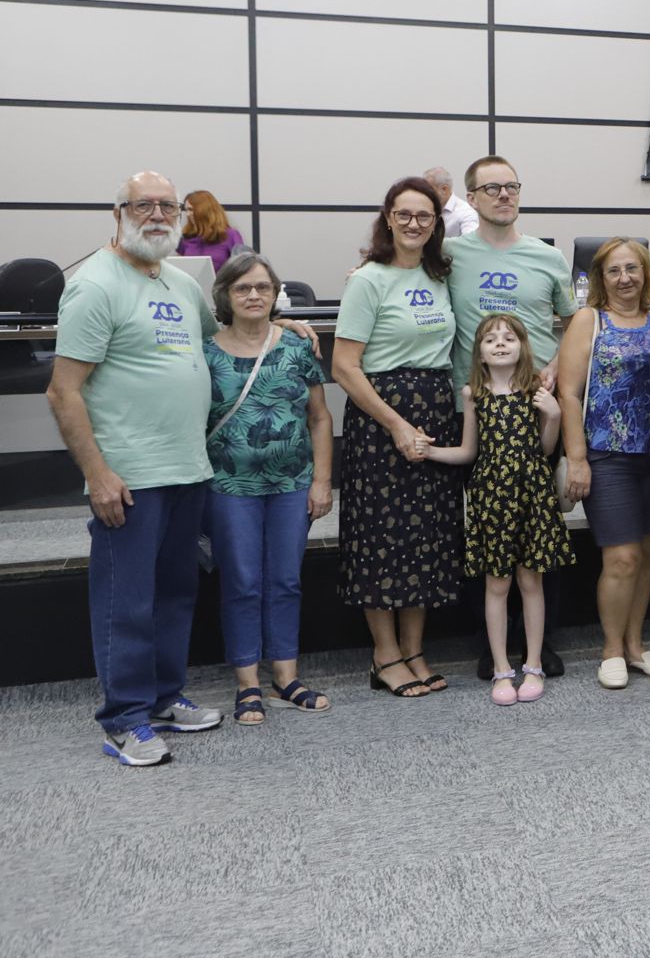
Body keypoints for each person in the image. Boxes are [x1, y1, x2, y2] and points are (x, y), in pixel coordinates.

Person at [48, 172, 228, 764]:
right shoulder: (95, 285)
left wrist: (281, 328)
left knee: (175, 594)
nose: (156, 214)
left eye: (167, 205)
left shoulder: (179, 282)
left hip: (186, 467)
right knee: (127, 600)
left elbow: (216, 343)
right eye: (143, 205)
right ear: (118, 212)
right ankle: (123, 719)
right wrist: (98, 474)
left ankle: (162, 699)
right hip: (127, 475)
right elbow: (63, 391)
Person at [443, 156, 577, 680]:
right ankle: (493, 645)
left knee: (543, 530)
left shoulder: (547, 257)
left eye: (512, 186)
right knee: (485, 532)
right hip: (476, 413)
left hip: (537, 413)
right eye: (491, 188)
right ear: (471, 198)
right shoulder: (449, 254)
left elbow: (574, 324)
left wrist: (551, 366)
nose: (504, 195)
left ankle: (541, 647)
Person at [331, 177, 461, 700]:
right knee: (381, 543)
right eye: (404, 215)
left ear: (436, 223)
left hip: (433, 409)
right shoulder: (368, 280)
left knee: (424, 540)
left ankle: (415, 650)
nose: (414, 224)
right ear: (388, 218)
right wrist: (396, 424)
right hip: (381, 420)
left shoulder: (439, 275)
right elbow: (343, 366)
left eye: (424, 216)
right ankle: (385, 656)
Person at [203, 252, 333, 725]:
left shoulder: (298, 347)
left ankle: (285, 677)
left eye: (262, 287)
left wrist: (321, 481)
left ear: (275, 293)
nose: (253, 295)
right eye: (243, 288)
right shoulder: (206, 351)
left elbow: (319, 417)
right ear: (226, 296)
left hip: (291, 484)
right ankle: (247, 684)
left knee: (285, 580)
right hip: (228, 485)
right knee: (241, 583)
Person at [427, 315, 573, 705]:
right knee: (497, 583)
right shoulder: (473, 393)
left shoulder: (535, 391)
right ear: (479, 351)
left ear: (524, 345)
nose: (501, 343)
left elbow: (543, 450)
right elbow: (469, 451)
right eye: (490, 339)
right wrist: (430, 452)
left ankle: (534, 664)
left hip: (533, 496)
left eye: (509, 337)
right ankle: (501, 668)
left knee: (531, 582)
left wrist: (554, 416)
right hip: (492, 499)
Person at [558, 237, 650, 689]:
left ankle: (635, 645)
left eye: (633, 269)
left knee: (647, 554)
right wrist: (577, 458)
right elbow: (568, 392)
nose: (624, 278)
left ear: (646, 273)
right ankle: (610, 650)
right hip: (607, 456)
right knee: (621, 556)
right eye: (614, 271)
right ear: (600, 278)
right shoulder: (590, 320)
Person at [178, 189, 246, 272]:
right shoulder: (186, 238)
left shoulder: (230, 235)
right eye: (187, 210)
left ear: (204, 210)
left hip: (222, 284)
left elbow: (243, 269)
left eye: (191, 209)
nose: (188, 214)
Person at [425, 166, 477, 238]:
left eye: (428, 190)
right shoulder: (424, 208)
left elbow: (470, 242)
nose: (424, 194)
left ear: (444, 189)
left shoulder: (467, 212)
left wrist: (437, 244)